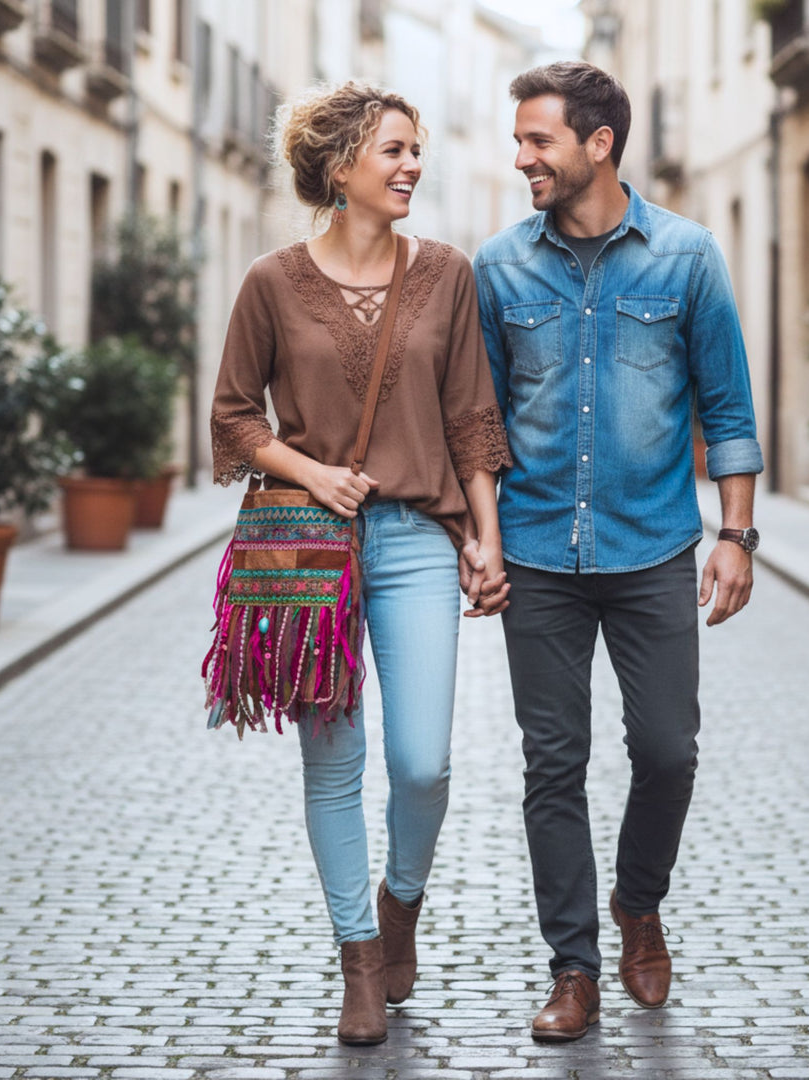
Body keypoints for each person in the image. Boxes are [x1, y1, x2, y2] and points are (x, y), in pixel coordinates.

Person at [210, 82, 512, 1047]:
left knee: (424, 763)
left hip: (420, 539)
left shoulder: (448, 274)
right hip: (310, 546)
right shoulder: (270, 280)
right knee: (333, 764)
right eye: (393, 151)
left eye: (416, 149)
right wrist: (311, 470)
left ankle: (401, 906)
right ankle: (360, 961)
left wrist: (486, 539)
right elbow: (232, 416)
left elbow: (472, 416)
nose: (412, 165)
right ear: (339, 168)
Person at [468, 61, 764, 1042]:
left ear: (599, 144)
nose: (521, 159)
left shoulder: (687, 258)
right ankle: (574, 969)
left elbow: (726, 406)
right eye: (518, 141)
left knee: (669, 752)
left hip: (650, 552)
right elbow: (482, 423)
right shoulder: (500, 267)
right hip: (543, 556)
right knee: (553, 765)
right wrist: (486, 539)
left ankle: (640, 904)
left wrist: (736, 535)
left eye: (538, 140)